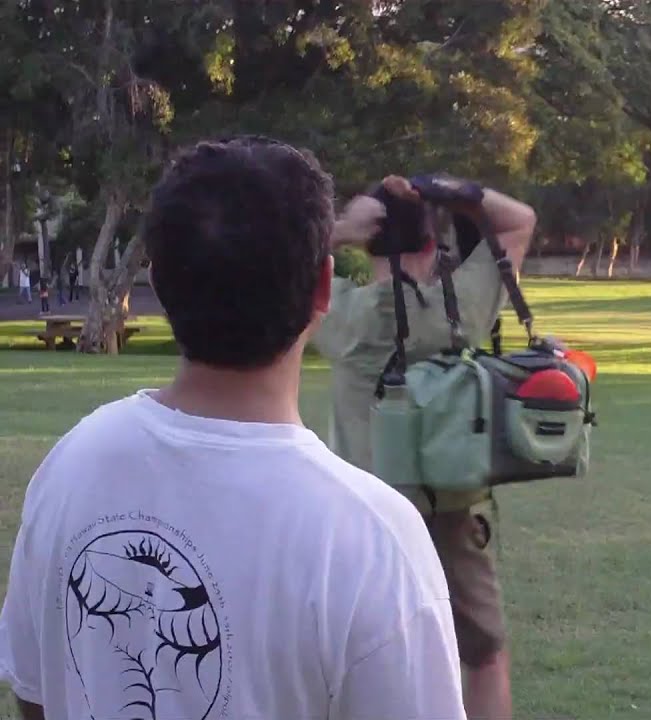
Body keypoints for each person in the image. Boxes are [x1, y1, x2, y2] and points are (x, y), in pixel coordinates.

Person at [0, 138, 466, 720]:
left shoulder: (70, 467)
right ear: (324, 287)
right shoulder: (373, 538)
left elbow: (36, 692)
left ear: (161, 286)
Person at [313, 174, 535, 720]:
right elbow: (520, 220)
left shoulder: (343, 318)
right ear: (433, 245)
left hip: (361, 520)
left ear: (372, 246)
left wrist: (338, 231)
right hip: (451, 511)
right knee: (483, 657)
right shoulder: (459, 309)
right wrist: (444, 189)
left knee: (354, 665)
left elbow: (271, 262)